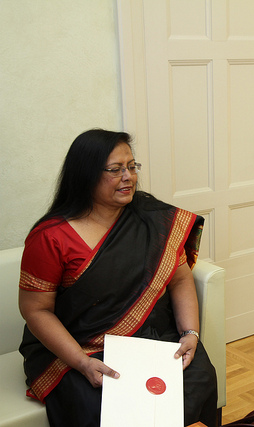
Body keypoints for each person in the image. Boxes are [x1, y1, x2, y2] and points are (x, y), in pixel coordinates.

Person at [18, 129, 218, 427]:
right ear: (85, 175)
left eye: (132, 166)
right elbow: (36, 310)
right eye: (115, 170)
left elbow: (179, 279)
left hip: (153, 337)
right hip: (80, 347)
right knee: (104, 406)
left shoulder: (153, 218)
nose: (128, 177)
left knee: (198, 380)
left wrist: (190, 333)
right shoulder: (51, 237)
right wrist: (82, 362)